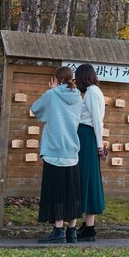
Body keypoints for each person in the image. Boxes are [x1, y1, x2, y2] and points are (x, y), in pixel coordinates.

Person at [30, 66, 83, 243]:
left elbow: (36, 109)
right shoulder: (78, 97)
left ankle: (58, 230)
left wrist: (52, 91)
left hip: (54, 150)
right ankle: (72, 231)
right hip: (72, 152)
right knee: (72, 194)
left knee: (56, 192)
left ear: (56, 79)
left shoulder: (51, 95)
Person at [74, 63, 107, 242]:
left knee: (87, 178)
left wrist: (99, 145)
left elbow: (96, 120)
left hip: (87, 137)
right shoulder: (92, 92)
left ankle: (89, 227)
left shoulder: (92, 92)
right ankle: (88, 226)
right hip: (87, 136)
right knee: (88, 178)